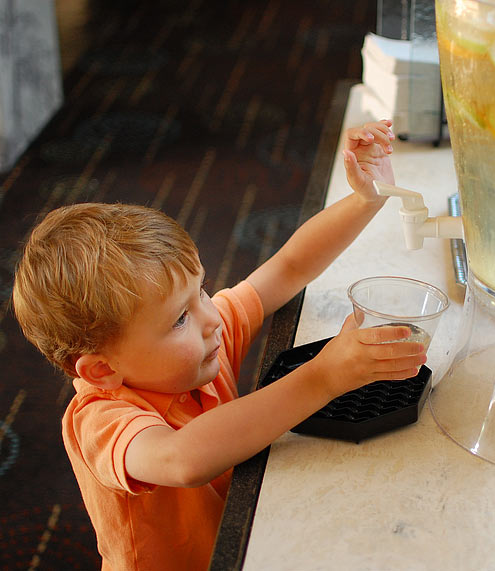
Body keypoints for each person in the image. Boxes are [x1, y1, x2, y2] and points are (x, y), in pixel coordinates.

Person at [11, 119, 426, 570]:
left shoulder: (203, 339)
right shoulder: (100, 421)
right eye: (180, 318)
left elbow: (287, 268)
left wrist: (367, 199)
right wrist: (323, 377)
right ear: (101, 370)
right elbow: (182, 458)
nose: (212, 318)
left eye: (202, 290)